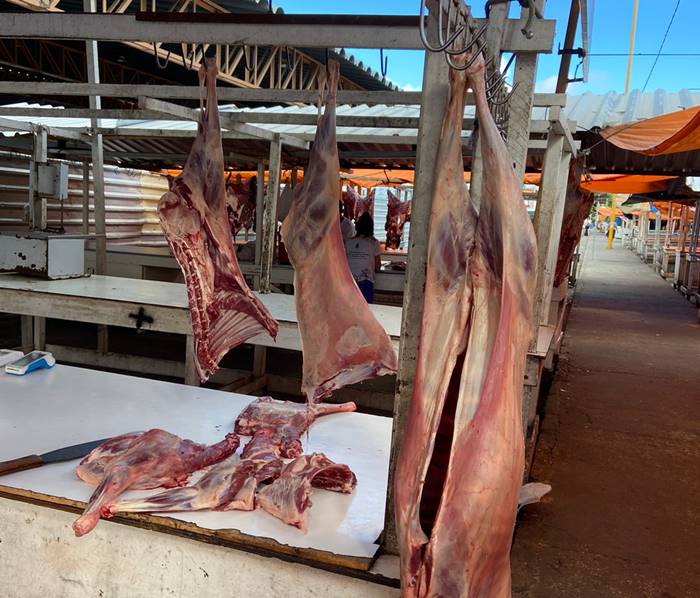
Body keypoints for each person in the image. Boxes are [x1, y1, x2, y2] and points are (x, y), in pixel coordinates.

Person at [345, 212, 381, 303]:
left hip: (348, 280)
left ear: (357, 227)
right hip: (365, 281)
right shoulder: (374, 242)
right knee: (366, 308)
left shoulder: (348, 242)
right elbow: (378, 267)